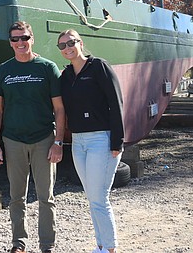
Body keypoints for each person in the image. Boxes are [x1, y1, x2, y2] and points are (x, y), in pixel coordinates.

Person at [0, 21, 65, 253]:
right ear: (10, 43)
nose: (20, 43)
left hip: (43, 139)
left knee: (46, 196)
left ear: (31, 39)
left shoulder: (47, 68)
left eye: (24, 38)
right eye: (15, 39)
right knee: (17, 197)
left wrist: (58, 142)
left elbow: (60, 109)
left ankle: (47, 245)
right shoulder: (4, 70)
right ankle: (18, 243)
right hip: (13, 140)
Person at [57, 29, 124, 253]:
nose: (67, 48)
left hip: (101, 140)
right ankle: (101, 245)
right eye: (62, 45)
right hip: (78, 142)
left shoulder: (98, 67)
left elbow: (116, 102)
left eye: (71, 43)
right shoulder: (65, 76)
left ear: (80, 43)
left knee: (99, 198)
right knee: (91, 197)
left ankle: (110, 248)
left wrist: (117, 141)